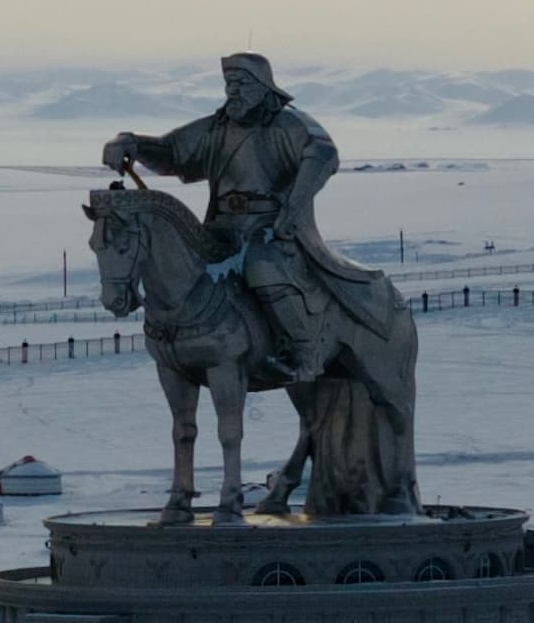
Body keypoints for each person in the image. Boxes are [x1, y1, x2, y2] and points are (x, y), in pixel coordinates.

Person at [103, 53, 371, 383]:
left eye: (242, 83)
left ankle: (305, 350)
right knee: (181, 267)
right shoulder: (217, 128)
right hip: (221, 225)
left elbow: (322, 153)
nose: (233, 90)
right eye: (229, 84)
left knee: (263, 266)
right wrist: (131, 143)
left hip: (272, 226)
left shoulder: (288, 123)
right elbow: (172, 152)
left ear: (263, 86)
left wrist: (294, 204)